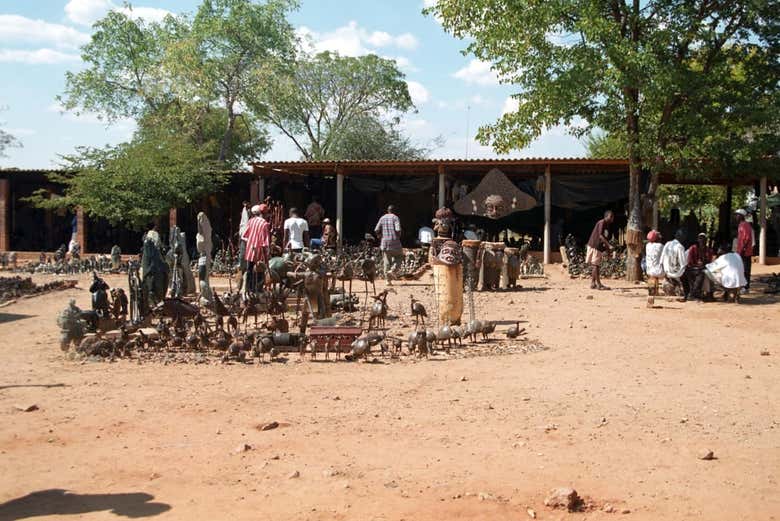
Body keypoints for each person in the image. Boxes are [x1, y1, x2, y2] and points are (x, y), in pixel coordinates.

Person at [241, 204, 270, 293]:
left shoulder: (251, 221)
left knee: (250, 271)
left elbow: (243, 236)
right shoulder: (265, 224)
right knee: (259, 273)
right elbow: (265, 243)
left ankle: (249, 291)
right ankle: (257, 292)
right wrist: (266, 259)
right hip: (259, 253)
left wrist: (251, 242)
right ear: (264, 213)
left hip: (250, 251)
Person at [374, 205, 403, 284]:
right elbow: (397, 229)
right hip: (395, 242)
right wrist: (399, 235)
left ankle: (388, 281)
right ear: (395, 211)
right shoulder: (395, 218)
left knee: (386, 261)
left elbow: (376, 229)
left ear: (388, 210)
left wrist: (380, 236)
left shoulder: (382, 218)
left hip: (385, 243)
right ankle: (393, 270)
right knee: (400, 256)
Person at [586, 210, 614, 290]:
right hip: (595, 245)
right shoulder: (602, 223)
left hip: (597, 247)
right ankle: (599, 284)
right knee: (596, 265)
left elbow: (604, 239)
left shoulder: (607, 225)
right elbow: (601, 236)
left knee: (596, 265)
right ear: (606, 216)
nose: (612, 218)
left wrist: (608, 251)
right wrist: (609, 245)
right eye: (611, 216)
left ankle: (593, 283)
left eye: (613, 216)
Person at [686, 232, 714, 300]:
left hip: (703, 268)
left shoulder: (708, 250)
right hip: (693, 268)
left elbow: (709, 261)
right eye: (700, 239)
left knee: (705, 274)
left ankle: (704, 293)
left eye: (703, 239)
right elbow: (689, 261)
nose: (702, 240)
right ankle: (694, 293)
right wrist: (696, 266)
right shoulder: (693, 248)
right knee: (690, 272)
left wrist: (703, 264)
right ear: (698, 240)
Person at [661, 229, 687, 297]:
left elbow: (661, 260)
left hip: (666, 272)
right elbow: (683, 263)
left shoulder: (667, 244)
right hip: (676, 273)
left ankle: (669, 286)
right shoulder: (680, 247)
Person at [734, 209, 753, 293]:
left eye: (737, 215)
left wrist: (743, 249)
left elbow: (746, 238)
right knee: (742, 269)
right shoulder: (741, 225)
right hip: (741, 251)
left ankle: (745, 287)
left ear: (741, 216)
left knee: (745, 269)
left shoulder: (744, 225)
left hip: (745, 252)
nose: (736, 217)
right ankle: (743, 286)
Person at [645, 230, 664, 297]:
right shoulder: (660, 246)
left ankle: (653, 290)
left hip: (649, 269)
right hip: (658, 270)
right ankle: (655, 291)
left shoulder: (647, 246)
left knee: (652, 277)